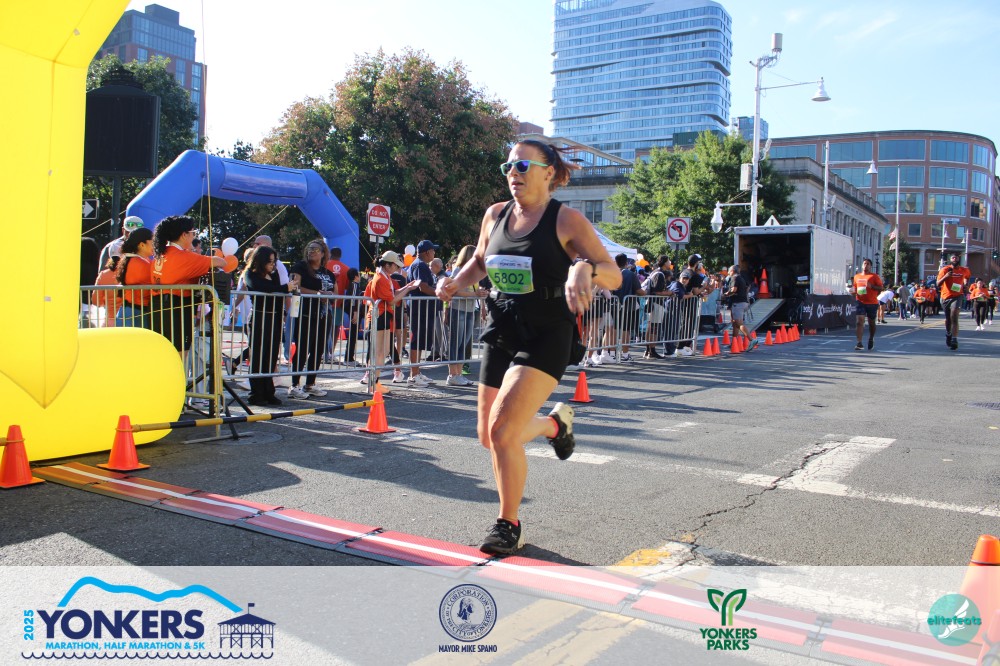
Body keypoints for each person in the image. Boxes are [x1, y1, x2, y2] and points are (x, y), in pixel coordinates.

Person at [435, 138, 620, 555]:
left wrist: (584, 268)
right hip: (502, 324)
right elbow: (481, 260)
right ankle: (555, 426)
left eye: (522, 166)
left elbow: (613, 273)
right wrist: (455, 282)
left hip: (547, 330)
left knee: (503, 432)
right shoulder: (495, 214)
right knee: (489, 436)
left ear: (548, 172)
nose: (512, 174)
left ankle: (508, 523)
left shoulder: (567, 220)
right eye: (508, 167)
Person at [150, 216, 226, 353]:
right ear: (184, 235)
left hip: (157, 306)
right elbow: (221, 262)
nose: (194, 236)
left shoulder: (161, 253)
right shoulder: (184, 257)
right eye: (193, 233)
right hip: (177, 309)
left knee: (160, 352)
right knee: (179, 354)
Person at [242, 246, 301, 406]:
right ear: (261, 261)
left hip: (274, 317)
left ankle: (269, 392)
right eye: (269, 262)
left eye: (274, 261)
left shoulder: (274, 274)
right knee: (258, 356)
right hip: (259, 317)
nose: (272, 265)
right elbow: (263, 288)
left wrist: (286, 293)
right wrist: (284, 288)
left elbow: (277, 292)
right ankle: (256, 393)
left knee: (271, 355)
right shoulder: (250, 274)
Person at [287, 240, 337, 399]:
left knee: (318, 349)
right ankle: (294, 385)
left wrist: (329, 296)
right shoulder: (300, 267)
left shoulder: (328, 272)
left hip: (324, 314)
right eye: (309, 248)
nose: (311, 251)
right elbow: (295, 287)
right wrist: (317, 294)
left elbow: (335, 292)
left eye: (315, 249)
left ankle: (310, 384)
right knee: (302, 349)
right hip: (306, 313)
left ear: (323, 253)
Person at [363, 251, 420, 388]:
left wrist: (407, 287)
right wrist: (408, 289)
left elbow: (392, 294)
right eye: (395, 265)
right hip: (379, 316)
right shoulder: (381, 278)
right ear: (387, 265)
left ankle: (374, 382)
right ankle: (374, 383)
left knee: (382, 352)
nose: (397, 268)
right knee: (379, 353)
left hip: (382, 316)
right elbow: (392, 300)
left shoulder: (384, 276)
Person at [445, 245, 487, 386]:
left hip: (469, 309)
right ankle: (453, 374)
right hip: (458, 309)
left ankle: (459, 374)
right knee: (456, 342)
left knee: (464, 343)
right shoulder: (458, 270)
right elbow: (453, 290)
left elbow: (473, 289)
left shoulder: (473, 272)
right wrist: (475, 294)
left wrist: (480, 294)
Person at [407, 239, 441, 385]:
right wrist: (439, 292)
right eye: (433, 250)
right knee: (416, 340)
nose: (434, 252)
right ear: (427, 252)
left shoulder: (420, 264)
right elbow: (423, 287)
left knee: (420, 340)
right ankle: (414, 374)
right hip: (419, 308)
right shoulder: (420, 265)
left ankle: (417, 372)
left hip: (422, 308)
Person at [115, 226, 154, 328]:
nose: (155, 245)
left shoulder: (131, 259)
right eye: (153, 242)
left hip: (129, 310)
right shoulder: (140, 264)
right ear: (142, 245)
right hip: (136, 312)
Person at [612, 253, 645, 362]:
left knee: (614, 329)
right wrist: (645, 293)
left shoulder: (613, 273)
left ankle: (611, 353)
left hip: (614, 304)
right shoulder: (630, 274)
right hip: (628, 305)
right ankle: (625, 354)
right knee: (625, 330)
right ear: (626, 262)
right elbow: (639, 290)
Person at [937, 253, 971, 350]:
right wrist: (946, 276)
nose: (955, 259)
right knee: (948, 319)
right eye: (953, 257)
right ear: (950, 259)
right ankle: (948, 334)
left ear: (959, 259)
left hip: (957, 296)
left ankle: (954, 339)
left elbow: (967, 277)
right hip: (945, 296)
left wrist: (965, 285)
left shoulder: (964, 270)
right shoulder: (945, 270)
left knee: (954, 317)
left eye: (956, 257)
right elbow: (938, 284)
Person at [849, 258, 884, 351]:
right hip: (860, 301)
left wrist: (871, 286)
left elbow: (881, 288)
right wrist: (852, 291)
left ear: (870, 266)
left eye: (868, 264)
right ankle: (859, 343)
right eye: (864, 263)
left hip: (872, 302)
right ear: (862, 265)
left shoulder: (874, 276)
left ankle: (871, 338)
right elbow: (855, 288)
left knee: (871, 323)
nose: (866, 265)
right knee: (859, 321)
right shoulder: (857, 276)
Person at [642, 255, 671, 359]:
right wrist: (669, 293)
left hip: (651, 303)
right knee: (654, 327)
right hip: (656, 303)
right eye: (668, 261)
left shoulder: (654, 272)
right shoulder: (660, 274)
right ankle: (652, 350)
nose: (670, 262)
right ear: (664, 262)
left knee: (650, 327)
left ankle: (648, 350)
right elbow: (658, 292)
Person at [725, 265, 759, 351]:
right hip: (743, 302)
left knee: (738, 323)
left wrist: (726, 294)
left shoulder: (735, 278)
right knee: (735, 323)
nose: (728, 272)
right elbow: (747, 288)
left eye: (729, 271)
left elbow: (734, 290)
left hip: (738, 303)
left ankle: (751, 340)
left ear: (732, 271)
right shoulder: (741, 278)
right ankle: (734, 343)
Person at [343, 268, 364, 365]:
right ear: (355, 276)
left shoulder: (353, 285)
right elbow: (353, 299)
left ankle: (349, 358)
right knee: (353, 335)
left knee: (353, 334)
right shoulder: (354, 285)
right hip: (354, 312)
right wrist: (355, 312)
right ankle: (349, 358)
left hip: (354, 312)